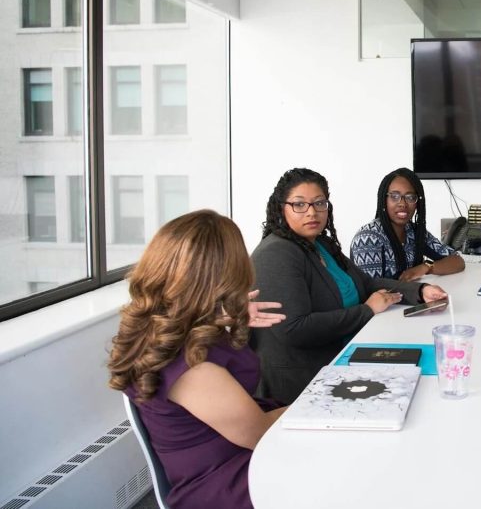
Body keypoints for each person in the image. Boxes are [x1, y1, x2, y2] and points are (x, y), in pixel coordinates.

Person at [107, 210, 288, 509]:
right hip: (226, 483)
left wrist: (225, 317)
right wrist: (314, 404)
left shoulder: (163, 328)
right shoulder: (193, 370)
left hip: (228, 456)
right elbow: (260, 435)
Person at [250, 168, 448, 404]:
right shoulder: (276, 253)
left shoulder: (319, 243)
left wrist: (419, 291)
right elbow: (295, 329)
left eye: (319, 203)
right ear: (281, 207)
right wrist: (366, 310)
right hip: (303, 379)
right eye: (299, 204)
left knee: (427, 377)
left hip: (346, 353)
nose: (312, 212)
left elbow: (365, 283)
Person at [350, 167, 466, 280]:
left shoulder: (414, 232)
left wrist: (426, 267)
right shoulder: (368, 239)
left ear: (417, 203)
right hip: (396, 298)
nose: (402, 204)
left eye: (410, 197)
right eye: (394, 196)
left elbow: (457, 261)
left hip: (413, 297)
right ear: (383, 200)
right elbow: (372, 290)